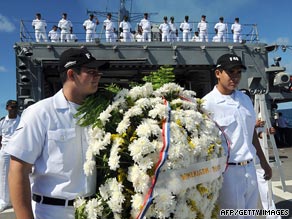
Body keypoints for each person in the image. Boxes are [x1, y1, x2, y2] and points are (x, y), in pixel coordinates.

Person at [5, 48, 109, 219]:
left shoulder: (99, 113)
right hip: (51, 212)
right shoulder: (41, 113)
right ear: (71, 74)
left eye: (98, 71)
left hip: (92, 210)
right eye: (90, 71)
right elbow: (18, 170)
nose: (97, 75)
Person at [202, 54, 272, 218]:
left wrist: (263, 162)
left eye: (238, 72)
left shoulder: (245, 99)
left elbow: (251, 133)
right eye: (230, 72)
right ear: (218, 73)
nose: (235, 77)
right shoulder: (207, 104)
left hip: (250, 168)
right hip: (228, 173)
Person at [0, 100, 20, 212]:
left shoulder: (22, 121)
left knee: (22, 175)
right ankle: (4, 201)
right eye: (12, 107)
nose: (14, 109)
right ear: (7, 108)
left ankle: (20, 201)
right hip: (6, 151)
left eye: (16, 107)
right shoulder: (2, 122)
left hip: (18, 150)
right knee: (3, 176)